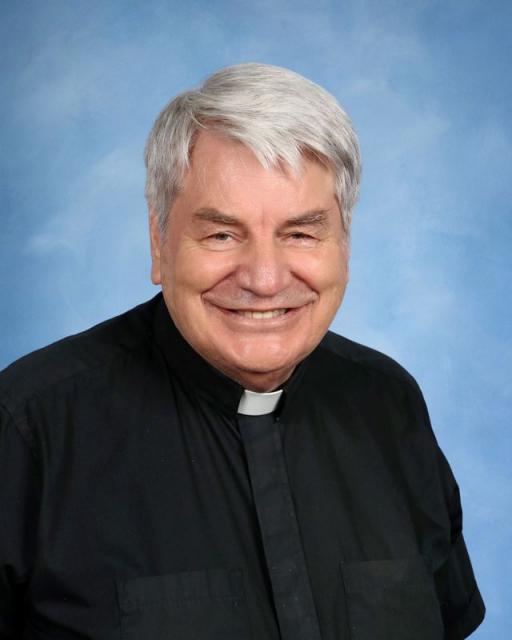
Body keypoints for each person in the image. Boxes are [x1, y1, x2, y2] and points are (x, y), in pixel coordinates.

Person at [0, 63, 485, 640]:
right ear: (160, 242)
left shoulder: (389, 405)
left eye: (300, 233)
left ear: (344, 244)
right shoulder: (29, 429)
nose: (263, 278)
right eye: (222, 234)